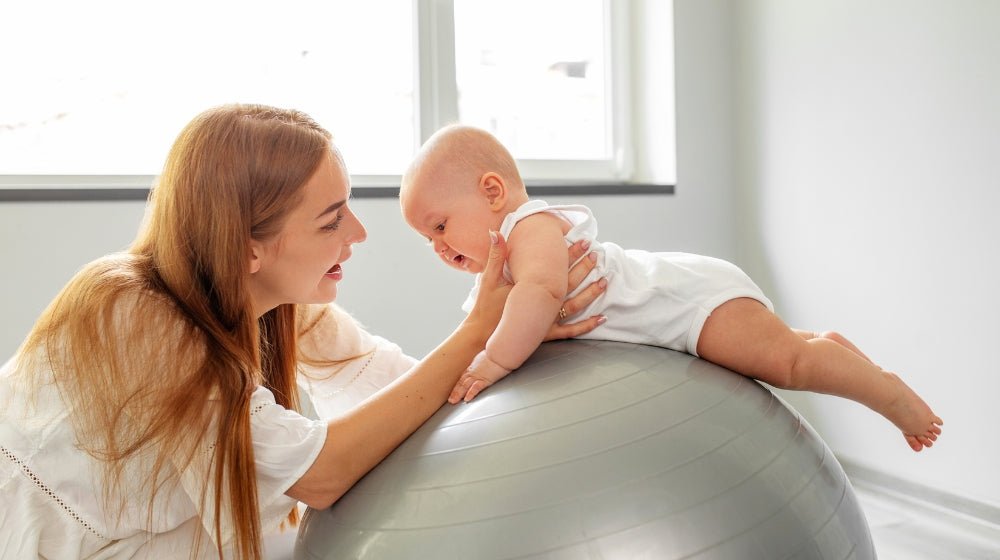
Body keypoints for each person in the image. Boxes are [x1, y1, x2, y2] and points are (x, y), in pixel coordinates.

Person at [0, 105, 607, 559]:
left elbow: (394, 387)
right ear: (250, 249)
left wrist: (510, 343)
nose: (359, 234)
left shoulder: (268, 301)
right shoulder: (136, 315)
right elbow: (320, 473)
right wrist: (478, 329)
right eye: (331, 220)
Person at [398, 124, 944, 453]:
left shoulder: (529, 228)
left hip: (686, 303)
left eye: (441, 226)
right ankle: (827, 346)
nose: (439, 249)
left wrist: (494, 363)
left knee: (789, 365)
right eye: (426, 241)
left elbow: (539, 297)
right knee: (792, 347)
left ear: (493, 191)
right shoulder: (494, 276)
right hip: (670, 315)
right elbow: (474, 331)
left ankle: (887, 393)